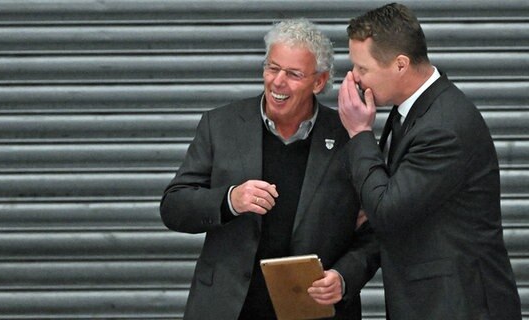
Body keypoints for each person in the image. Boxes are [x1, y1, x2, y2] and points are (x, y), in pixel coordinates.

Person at [161, 18, 379, 319]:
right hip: (228, 308)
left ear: (319, 81)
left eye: (293, 74)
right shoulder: (221, 125)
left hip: (312, 309)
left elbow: (377, 231)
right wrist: (230, 200)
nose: (278, 81)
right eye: (272, 67)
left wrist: (344, 277)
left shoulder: (349, 136)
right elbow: (174, 207)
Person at [337, 3, 522, 319]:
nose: (354, 78)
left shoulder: (443, 126)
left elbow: (388, 212)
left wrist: (359, 132)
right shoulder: (412, 112)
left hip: (459, 306)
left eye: (362, 68)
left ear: (400, 64)